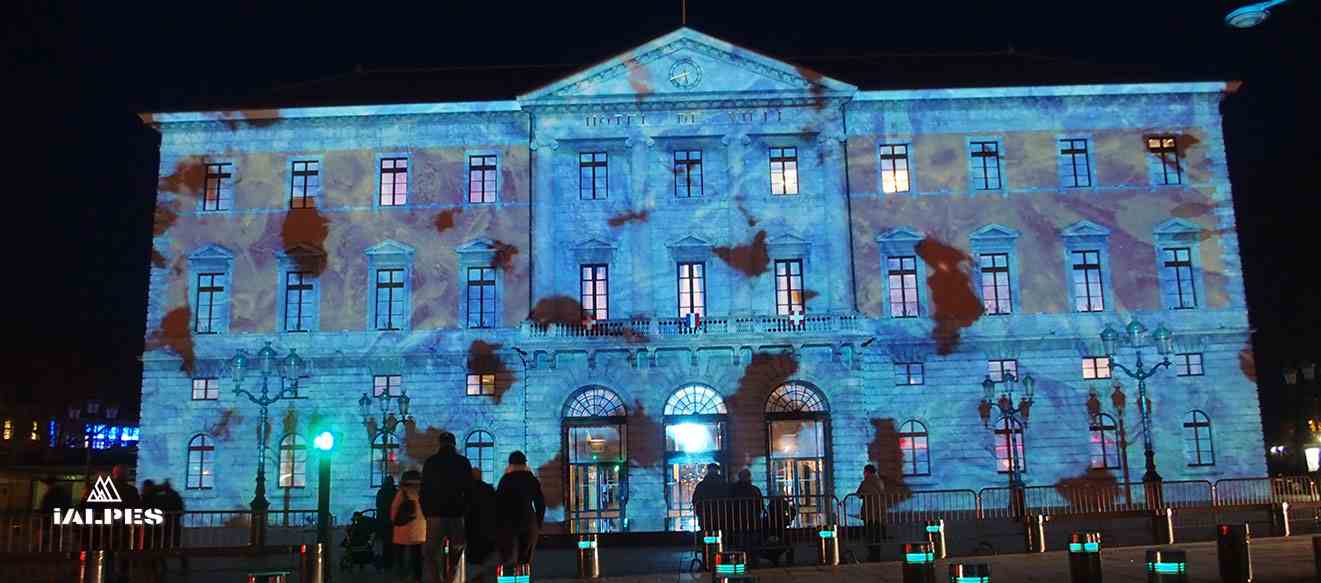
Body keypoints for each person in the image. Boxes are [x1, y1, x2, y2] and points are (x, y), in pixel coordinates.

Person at [420, 432, 473, 583]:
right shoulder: (462, 462)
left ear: (440, 444)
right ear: (454, 444)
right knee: (457, 548)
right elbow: (469, 490)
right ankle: (451, 576)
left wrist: (426, 511)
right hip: (456, 513)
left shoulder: (431, 462)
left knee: (430, 552)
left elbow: (424, 490)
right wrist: (465, 510)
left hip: (434, 514)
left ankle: (437, 578)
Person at [494, 451, 545, 571]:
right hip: (528, 522)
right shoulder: (531, 479)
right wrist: (538, 523)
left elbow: (498, 503)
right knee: (525, 560)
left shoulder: (505, 479)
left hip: (508, 523)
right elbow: (540, 503)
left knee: (509, 560)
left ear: (510, 464)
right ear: (525, 463)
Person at [391, 470, 427, 583]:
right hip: (419, 532)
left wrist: (394, 521)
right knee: (417, 557)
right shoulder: (423, 493)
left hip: (402, 530)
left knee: (400, 556)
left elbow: (393, 511)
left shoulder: (402, 493)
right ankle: (417, 578)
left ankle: (402, 577)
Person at [465, 468, 498, 581]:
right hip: (488, 529)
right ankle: (480, 577)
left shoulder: (467, 490)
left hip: (472, 528)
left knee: (473, 558)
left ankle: (476, 577)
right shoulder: (489, 489)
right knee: (485, 556)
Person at [727, 469, 763, 553]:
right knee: (752, 540)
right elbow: (760, 505)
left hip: (737, 519)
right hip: (752, 519)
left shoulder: (733, 489)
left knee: (740, 541)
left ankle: (741, 558)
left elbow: (730, 504)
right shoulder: (755, 489)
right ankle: (752, 557)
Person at [156, 480, 188, 572]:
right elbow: (181, 508)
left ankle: (164, 565)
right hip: (174, 522)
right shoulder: (175, 495)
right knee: (176, 544)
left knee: (162, 545)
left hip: (165, 523)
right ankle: (183, 564)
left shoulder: (163, 496)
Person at [856, 464, 888, 542]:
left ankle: (872, 552)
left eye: (864, 472)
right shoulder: (880, 481)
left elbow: (858, 494)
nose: (864, 473)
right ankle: (877, 551)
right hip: (879, 511)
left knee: (870, 534)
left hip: (869, 511)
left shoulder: (866, 482)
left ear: (867, 472)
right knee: (877, 534)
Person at [690, 463, 724, 533]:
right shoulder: (724, 484)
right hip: (721, 513)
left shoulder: (702, 485)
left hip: (705, 514)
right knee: (721, 532)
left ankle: (708, 543)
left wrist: (698, 511)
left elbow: (695, 499)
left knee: (706, 533)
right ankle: (719, 543)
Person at [376, 474, 398, 571]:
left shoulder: (381, 492)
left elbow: (378, 505)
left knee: (386, 543)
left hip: (383, 520)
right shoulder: (396, 492)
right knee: (393, 542)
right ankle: (392, 561)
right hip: (393, 520)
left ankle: (386, 562)